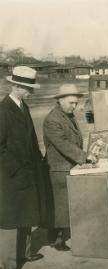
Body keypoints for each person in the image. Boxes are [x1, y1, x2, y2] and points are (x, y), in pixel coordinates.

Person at [43, 84, 97, 251]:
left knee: (68, 203)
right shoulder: (52, 119)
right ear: (60, 100)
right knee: (60, 205)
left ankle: (63, 234)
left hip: (70, 164)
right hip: (59, 167)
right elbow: (63, 144)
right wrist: (84, 156)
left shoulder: (67, 115)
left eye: (75, 103)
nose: (74, 106)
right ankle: (55, 239)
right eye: (71, 103)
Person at [0, 66, 44, 269]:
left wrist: (38, 163)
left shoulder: (22, 106)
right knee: (11, 220)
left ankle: (24, 254)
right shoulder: (3, 110)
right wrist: (15, 169)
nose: (31, 92)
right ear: (16, 86)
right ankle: (8, 263)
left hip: (27, 172)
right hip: (11, 175)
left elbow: (31, 141)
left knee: (27, 214)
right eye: (28, 88)